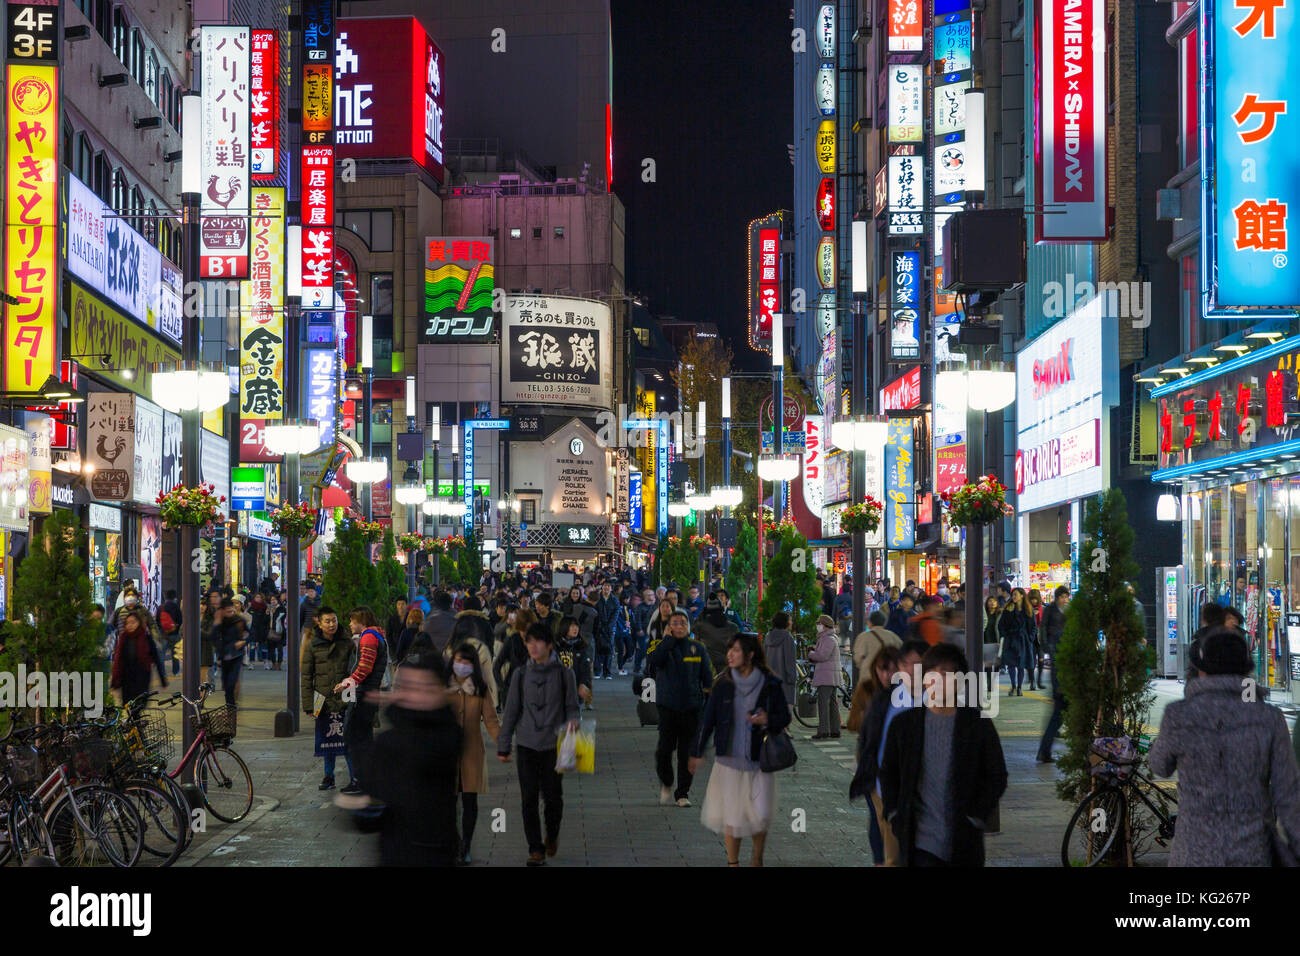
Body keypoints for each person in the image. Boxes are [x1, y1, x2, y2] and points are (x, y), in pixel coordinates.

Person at [1148, 629, 1300, 865]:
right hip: (1252, 851)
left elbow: (1159, 766)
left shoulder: (1178, 715)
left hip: (1193, 851)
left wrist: (1158, 745)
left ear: (1201, 670)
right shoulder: (1269, 717)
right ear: (1246, 671)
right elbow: (1288, 793)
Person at [880, 643, 1008, 867]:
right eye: (932, 672)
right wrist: (894, 813)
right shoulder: (904, 725)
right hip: (919, 842)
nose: (939, 679)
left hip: (963, 840)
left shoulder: (978, 725)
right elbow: (889, 772)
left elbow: (996, 775)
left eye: (947, 673)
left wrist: (976, 815)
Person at [689, 632, 792, 866]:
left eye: (735, 650)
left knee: (760, 814)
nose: (730, 654)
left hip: (759, 760)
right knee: (733, 817)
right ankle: (733, 862)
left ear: (750, 654)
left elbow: (784, 717)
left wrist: (767, 720)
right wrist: (697, 751)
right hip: (729, 760)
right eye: (729, 650)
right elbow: (709, 719)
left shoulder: (769, 683)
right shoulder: (723, 683)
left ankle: (757, 857)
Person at [357, 651, 462, 866]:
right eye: (407, 686)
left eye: (424, 687)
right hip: (394, 851)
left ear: (440, 692)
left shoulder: (448, 734)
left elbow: (424, 755)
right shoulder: (389, 737)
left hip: (435, 851)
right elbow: (367, 801)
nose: (414, 694)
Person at [497, 622, 581, 866]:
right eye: (529, 642)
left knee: (554, 798)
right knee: (529, 798)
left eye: (538, 641)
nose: (532, 646)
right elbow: (511, 711)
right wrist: (504, 745)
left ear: (550, 645)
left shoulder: (566, 673)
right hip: (527, 744)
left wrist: (574, 722)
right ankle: (535, 848)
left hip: (556, 745)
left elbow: (573, 707)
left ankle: (552, 834)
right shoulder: (520, 675)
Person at [646, 610, 715, 807]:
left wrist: (706, 704)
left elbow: (707, 678)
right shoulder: (662, 646)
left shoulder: (697, 648)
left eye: (683, 623)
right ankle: (667, 782)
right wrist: (667, 640)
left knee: (686, 752)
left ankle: (682, 793)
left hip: (692, 708)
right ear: (668, 627)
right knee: (664, 750)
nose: (679, 626)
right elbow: (654, 662)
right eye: (675, 623)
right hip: (667, 707)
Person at [848, 645, 904, 866]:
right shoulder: (867, 689)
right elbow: (852, 723)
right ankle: (880, 861)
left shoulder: (907, 694)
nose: (887, 675)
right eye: (883, 669)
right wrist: (872, 718)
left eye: (892, 670)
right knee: (877, 817)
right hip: (872, 761)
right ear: (875, 669)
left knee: (891, 819)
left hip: (896, 767)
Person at [447, 644, 500, 865]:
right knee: (447, 804)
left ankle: (465, 845)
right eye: (460, 660)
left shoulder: (479, 688)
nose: (463, 665)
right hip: (446, 755)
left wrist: (503, 744)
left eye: (468, 662)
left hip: (471, 753)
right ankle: (454, 842)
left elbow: (491, 721)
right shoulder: (442, 687)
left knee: (470, 801)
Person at [334, 607, 389, 796]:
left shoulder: (368, 637)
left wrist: (346, 683)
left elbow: (365, 667)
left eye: (352, 620)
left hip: (363, 694)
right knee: (363, 737)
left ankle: (361, 780)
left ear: (361, 621)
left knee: (354, 737)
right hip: (368, 693)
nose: (349, 624)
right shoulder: (377, 635)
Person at [110, 609, 167, 705]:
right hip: (127, 679)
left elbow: (157, 659)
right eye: (127, 623)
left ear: (139, 623)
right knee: (129, 706)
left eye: (133, 622)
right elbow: (118, 661)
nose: (130, 625)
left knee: (140, 705)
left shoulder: (146, 637)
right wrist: (114, 682)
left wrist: (163, 680)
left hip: (142, 677)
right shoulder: (123, 638)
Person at [809, 614, 843, 739]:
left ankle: (823, 730)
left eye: (819, 623)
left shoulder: (827, 638)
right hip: (831, 675)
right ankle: (835, 730)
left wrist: (811, 653)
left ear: (824, 625)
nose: (817, 625)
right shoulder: (829, 637)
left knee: (823, 703)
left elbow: (822, 656)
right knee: (832, 703)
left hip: (826, 675)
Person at [211, 597, 248, 711]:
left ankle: (231, 708)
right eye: (228, 611)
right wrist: (216, 624)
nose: (231, 614)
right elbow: (213, 638)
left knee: (231, 683)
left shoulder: (239, 620)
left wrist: (243, 641)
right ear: (222, 611)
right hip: (224, 656)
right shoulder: (219, 623)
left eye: (232, 611)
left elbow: (249, 634)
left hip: (236, 655)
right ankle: (230, 706)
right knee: (226, 685)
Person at [998, 588, 1036, 696]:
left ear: (1022, 596)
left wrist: (1030, 638)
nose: (1013, 597)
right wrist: (1004, 635)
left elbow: (1033, 626)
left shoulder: (1028, 609)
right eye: (1012, 595)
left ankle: (1019, 687)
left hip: (1023, 640)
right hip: (1010, 639)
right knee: (1011, 664)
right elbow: (1001, 625)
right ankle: (1013, 685)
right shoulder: (1008, 609)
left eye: (1015, 595)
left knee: (1021, 665)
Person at [853, 610, 901, 690]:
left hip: (868, 677)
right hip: (889, 677)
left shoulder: (863, 637)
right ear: (884, 622)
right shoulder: (893, 636)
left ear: (870, 622)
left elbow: (858, 658)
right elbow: (901, 654)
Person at [694, 597, 739, 678]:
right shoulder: (733, 627)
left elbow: (695, 644)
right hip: (728, 668)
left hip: (708, 669)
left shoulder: (701, 626)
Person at [763, 611, 798, 713]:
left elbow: (763, 658)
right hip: (784, 682)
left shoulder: (768, 636)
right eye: (790, 620)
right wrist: (792, 679)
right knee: (784, 716)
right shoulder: (788, 638)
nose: (791, 622)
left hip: (770, 681)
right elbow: (789, 662)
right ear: (785, 622)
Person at [415, 590, 457, 656]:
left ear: (437, 604)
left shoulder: (431, 619)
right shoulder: (457, 618)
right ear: (450, 604)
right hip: (451, 656)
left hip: (432, 656)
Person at [158, 589, 182, 677]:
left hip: (163, 634)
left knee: (161, 654)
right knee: (175, 654)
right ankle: (175, 671)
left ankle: (162, 673)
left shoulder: (161, 607)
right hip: (174, 634)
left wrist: (161, 629)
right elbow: (180, 620)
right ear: (175, 597)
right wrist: (176, 628)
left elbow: (157, 620)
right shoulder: (176, 607)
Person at [266, 594, 287, 671]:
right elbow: (266, 619)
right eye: (271, 600)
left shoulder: (281, 608)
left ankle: (279, 664)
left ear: (277, 600)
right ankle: (274, 663)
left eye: (274, 599)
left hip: (279, 631)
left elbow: (281, 618)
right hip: (271, 631)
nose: (273, 601)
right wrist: (268, 613)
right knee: (271, 649)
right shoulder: (269, 608)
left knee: (280, 649)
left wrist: (274, 612)